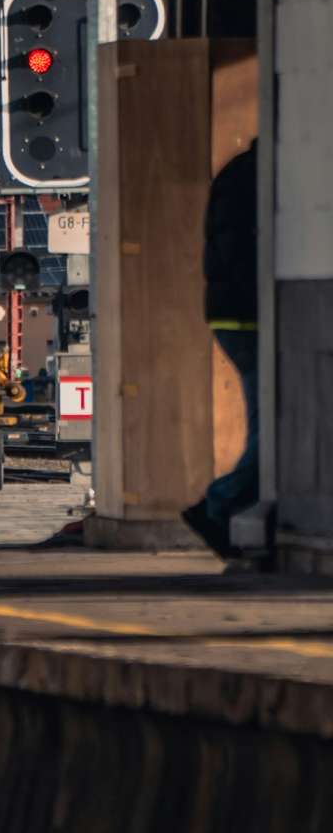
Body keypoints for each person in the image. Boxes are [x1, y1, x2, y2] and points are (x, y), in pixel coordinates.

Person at [186, 140, 258, 555]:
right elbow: (242, 252)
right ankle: (220, 504)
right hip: (248, 317)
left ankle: (229, 507)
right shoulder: (253, 177)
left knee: (269, 425)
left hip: (236, 315)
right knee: (272, 429)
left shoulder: (239, 173)